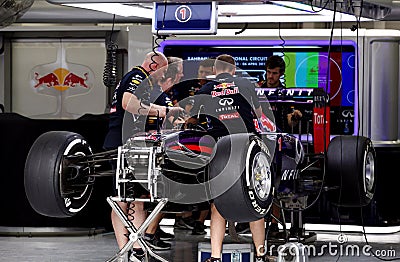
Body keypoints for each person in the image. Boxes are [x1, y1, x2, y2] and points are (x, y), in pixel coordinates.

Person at [103, 51, 182, 262]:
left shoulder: (149, 86)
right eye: (163, 71)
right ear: (154, 66)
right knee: (121, 200)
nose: (163, 75)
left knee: (138, 200)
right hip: (121, 143)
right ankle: (123, 252)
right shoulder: (136, 76)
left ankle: (137, 250)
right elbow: (128, 103)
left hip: (136, 145)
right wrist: (162, 112)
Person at [192, 54, 268, 262]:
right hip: (247, 150)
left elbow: (194, 118)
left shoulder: (206, 89)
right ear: (234, 70)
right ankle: (261, 256)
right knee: (255, 202)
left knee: (219, 203)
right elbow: (259, 115)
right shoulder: (246, 84)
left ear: (215, 71)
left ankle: (215, 257)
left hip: (221, 150)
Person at [172, 58, 215, 235]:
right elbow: (178, 109)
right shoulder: (186, 88)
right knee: (182, 180)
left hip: (208, 139)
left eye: (207, 72)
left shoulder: (215, 90)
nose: (204, 76)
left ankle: (199, 221)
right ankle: (181, 217)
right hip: (186, 140)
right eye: (201, 72)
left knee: (208, 182)